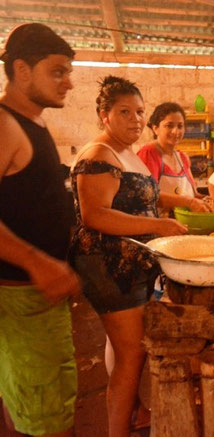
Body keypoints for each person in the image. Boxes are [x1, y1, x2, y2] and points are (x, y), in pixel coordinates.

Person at [69, 76, 189, 437]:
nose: (135, 119)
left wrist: (178, 207)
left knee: (122, 347)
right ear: (104, 115)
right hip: (109, 267)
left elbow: (141, 197)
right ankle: (119, 429)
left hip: (130, 264)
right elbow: (95, 215)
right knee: (131, 355)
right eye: (124, 112)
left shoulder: (125, 152)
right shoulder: (97, 155)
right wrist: (159, 227)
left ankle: (133, 414)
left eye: (139, 111)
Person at [0, 23, 80, 437]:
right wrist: (38, 263)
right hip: (21, 295)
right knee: (47, 414)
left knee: (31, 399)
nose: (69, 81)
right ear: (22, 70)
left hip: (34, 293)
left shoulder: (32, 121)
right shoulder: (4, 124)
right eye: (57, 71)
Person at [138, 102, 209, 215]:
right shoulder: (148, 154)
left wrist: (208, 200)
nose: (176, 131)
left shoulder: (183, 158)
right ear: (155, 128)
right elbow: (148, 196)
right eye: (169, 125)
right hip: (159, 226)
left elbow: (194, 194)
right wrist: (189, 202)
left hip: (183, 224)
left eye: (180, 126)